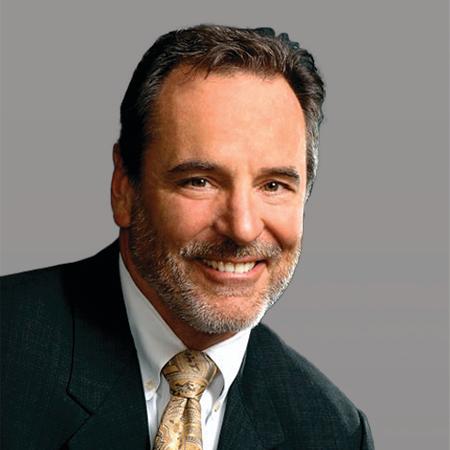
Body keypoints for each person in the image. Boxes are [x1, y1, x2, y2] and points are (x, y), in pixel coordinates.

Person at [1, 25, 374, 450]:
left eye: (273, 185)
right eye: (199, 181)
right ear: (124, 188)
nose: (243, 228)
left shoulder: (333, 433)